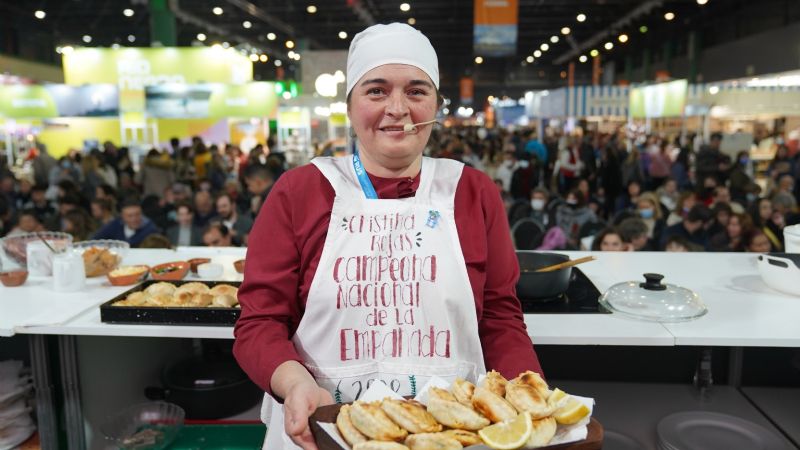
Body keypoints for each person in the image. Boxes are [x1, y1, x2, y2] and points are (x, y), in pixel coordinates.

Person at [233, 23, 543, 450]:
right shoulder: (299, 191)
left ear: (436, 104)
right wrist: (293, 382)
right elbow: (260, 322)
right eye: (376, 91)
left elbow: (499, 317)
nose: (397, 108)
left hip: (453, 431)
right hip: (322, 427)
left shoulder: (472, 191)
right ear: (350, 106)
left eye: (416, 91)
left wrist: (528, 395)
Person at [92, 198, 160, 247]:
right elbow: (95, 240)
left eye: (137, 214)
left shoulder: (151, 230)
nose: (134, 219)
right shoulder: (116, 224)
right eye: (129, 216)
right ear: (122, 216)